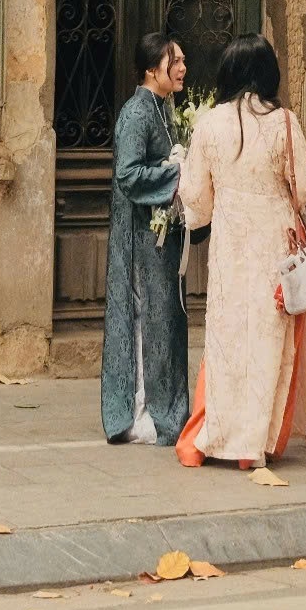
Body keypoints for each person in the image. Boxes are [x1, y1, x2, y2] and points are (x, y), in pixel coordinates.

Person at [175, 34, 306, 471]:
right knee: (268, 340)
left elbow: (196, 201)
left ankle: (218, 435)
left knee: (227, 339)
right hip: (275, 242)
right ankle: (254, 445)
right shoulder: (284, 122)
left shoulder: (209, 124)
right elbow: (304, 190)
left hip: (230, 245)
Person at [102, 33, 191, 445]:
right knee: (146, 322)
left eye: (183, 60)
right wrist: (174, 172)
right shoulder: (137, 112)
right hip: (140, 239)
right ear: (153, 69)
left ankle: (166, 411)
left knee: (166, 321)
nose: (183, 68)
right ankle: (140, 414)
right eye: (175, 61)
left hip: (160, 236)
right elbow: (128, 175)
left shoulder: (163, 108)